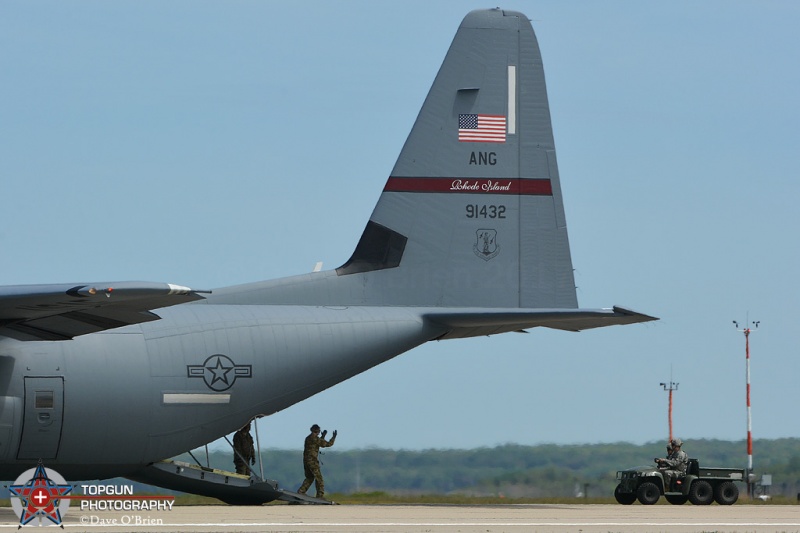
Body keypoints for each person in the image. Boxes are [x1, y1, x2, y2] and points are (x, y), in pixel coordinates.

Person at [297, 424, 337, 499]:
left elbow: (317, 444)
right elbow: (328, 444)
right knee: (319, 479)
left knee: (309, 477)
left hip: (306, 461)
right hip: (313, 462)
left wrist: (323, 436)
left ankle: (301, 492)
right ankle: (320, 496)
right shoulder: (316, 439)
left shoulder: (308, 438)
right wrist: (334, 437)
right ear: (318, 431)